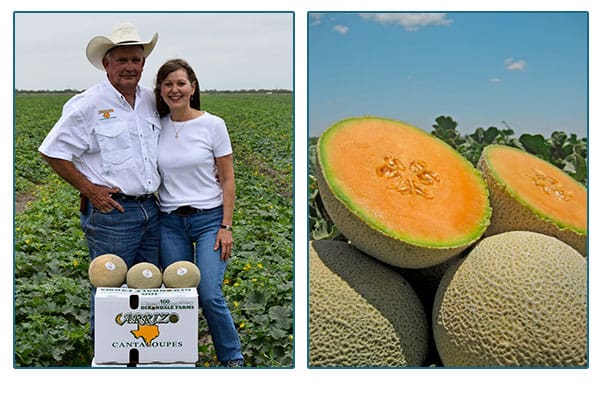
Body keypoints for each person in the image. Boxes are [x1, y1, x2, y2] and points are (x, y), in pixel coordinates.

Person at [38, 23, 161, 333]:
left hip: (152, 209)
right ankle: (108, 357)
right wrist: (90, 189)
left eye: (136, 60)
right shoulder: (88, 104)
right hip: (113, 213)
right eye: (122, 60)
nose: (130, 67)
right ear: (106, 64)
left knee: (150, 284)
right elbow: (52, 151)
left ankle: (141, 347)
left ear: (144, 64)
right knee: (109, 287)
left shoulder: (150, 101)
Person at [154, 58, 244, 367]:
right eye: (168, 84)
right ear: (160, 90)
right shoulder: (155, 125)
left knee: (208, 294)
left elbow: (228, 179)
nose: (174, 89)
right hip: (169, 221)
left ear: (193, 88)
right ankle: (179, 356)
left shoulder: (212, 125)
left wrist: (226, 226)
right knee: (179, 293)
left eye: (181, 83)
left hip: (209, 220)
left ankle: (232, 358)